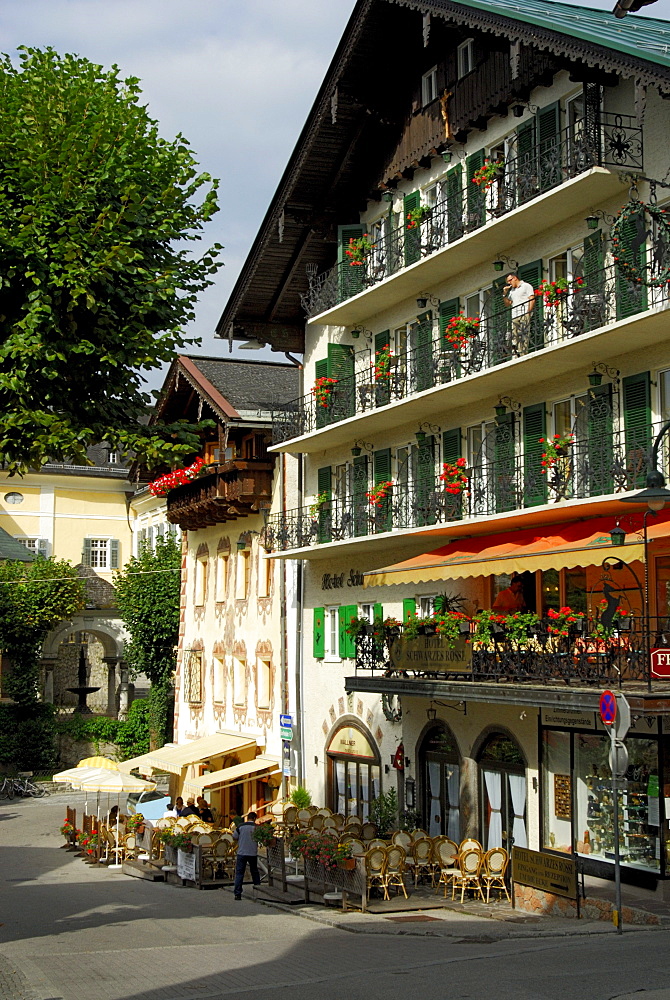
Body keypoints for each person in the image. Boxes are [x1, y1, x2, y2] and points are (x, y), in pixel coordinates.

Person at [502, 273, 535, 355]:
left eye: (510, 280)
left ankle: (523, 353)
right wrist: (504, 294)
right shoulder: (512, 291)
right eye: (508, 281)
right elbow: (507, 304)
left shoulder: (526, 286)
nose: (509, 283)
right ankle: (517, 354)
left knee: (524, 334)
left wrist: (528, 312)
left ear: (515, 278)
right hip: (514, 315)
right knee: (515, 336)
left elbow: (532, 299)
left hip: (524, 313)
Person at [232, 811, 261, 900]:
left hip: (241, 852)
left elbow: (234, 837)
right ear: (255, 818)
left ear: (247, 818)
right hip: (252, 852)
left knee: (240, 873)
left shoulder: (240, 826)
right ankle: (258, 891)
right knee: (254, 872)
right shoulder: (256, 827)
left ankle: (237, 894)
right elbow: (260, 838)